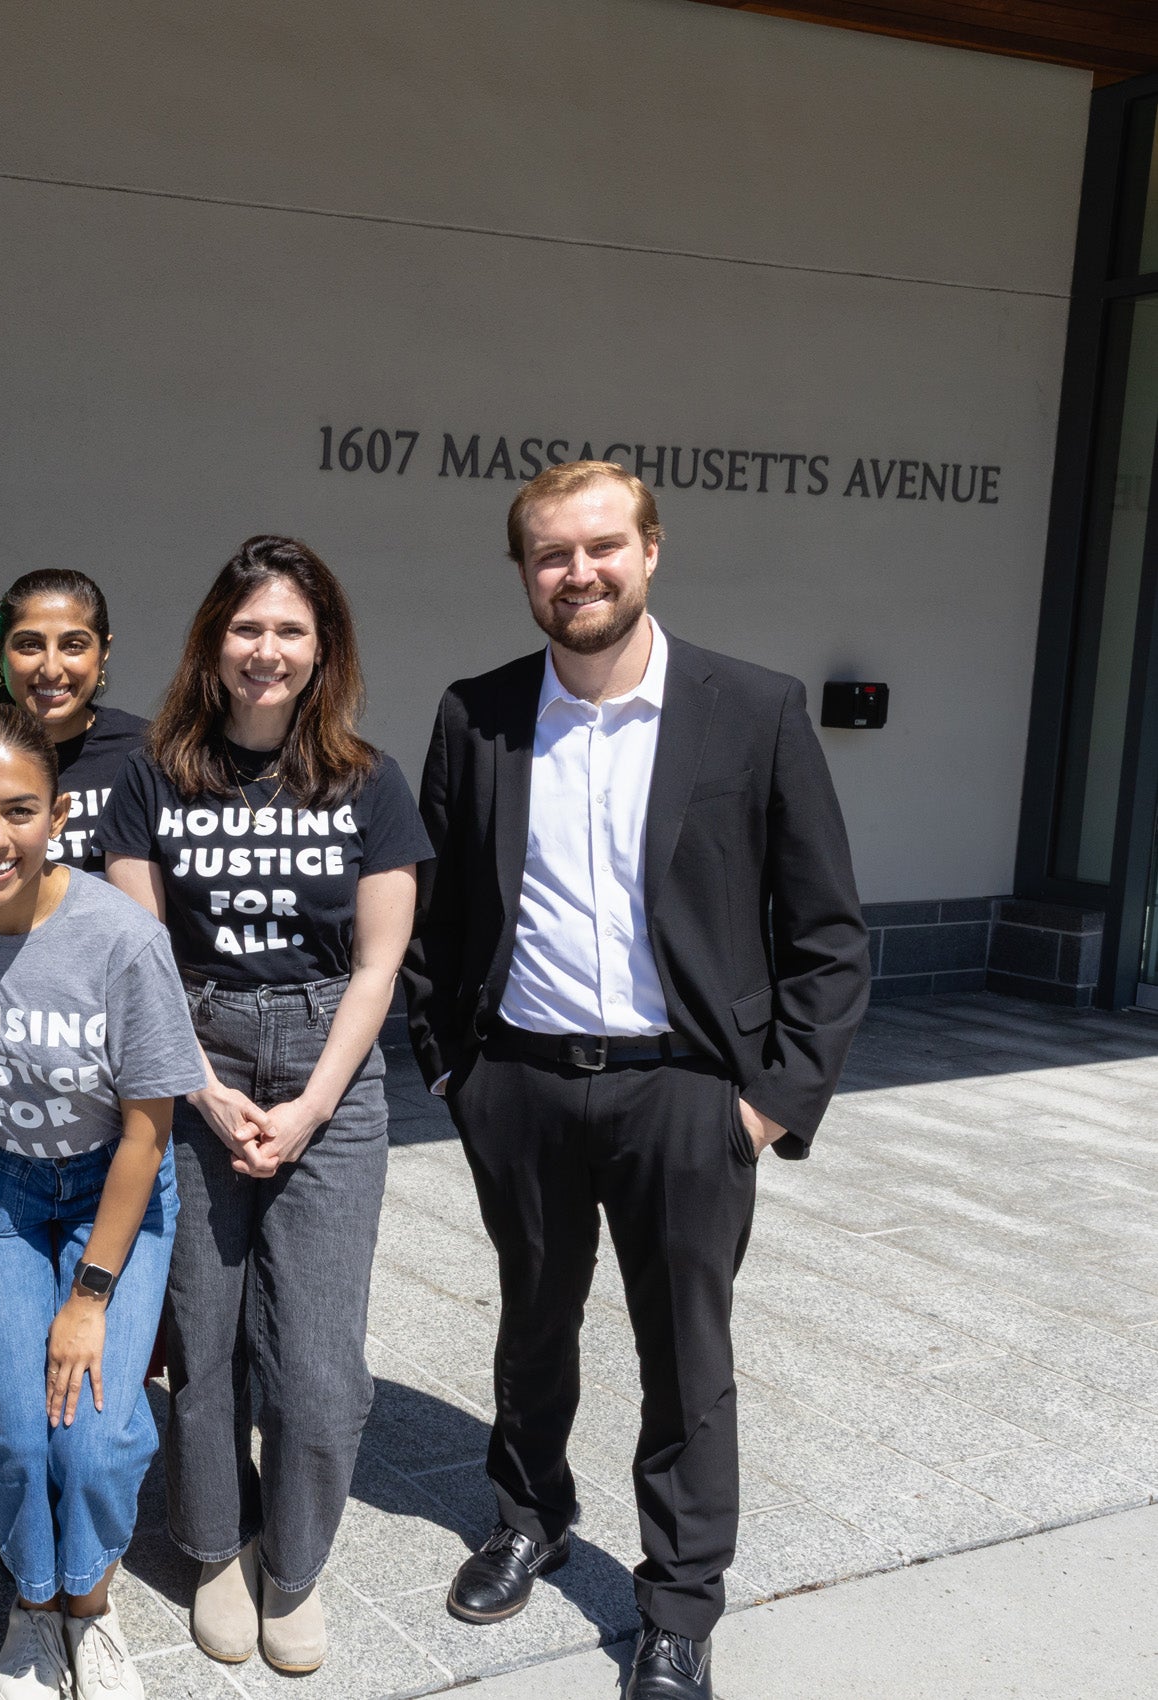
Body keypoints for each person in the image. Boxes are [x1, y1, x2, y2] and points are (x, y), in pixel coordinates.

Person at [402, 462, 869, 1700]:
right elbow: (438, 921)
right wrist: (456, 1072)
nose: (579, 572)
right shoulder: (479, 712)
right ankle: (529, 1514)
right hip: (524, 1083)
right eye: (552, 554)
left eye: (603, 545)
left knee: (685, 1353)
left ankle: (676, 1602)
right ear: (524, 573)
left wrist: (770, 1102)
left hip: (688, 1095)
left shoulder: (751, 709)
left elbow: (828, 932)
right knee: (533, 1323)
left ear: (652, 550)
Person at [98, 537, 432, 1677]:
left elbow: (381, 967)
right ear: (213, 638)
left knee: (320, 1358)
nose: (267, 650)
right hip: (189, 1049)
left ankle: (294, 1560)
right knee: (202, 1329)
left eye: (291, 630)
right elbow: (139, 953)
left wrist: (308, 1105)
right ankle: (216, 1547)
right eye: (248, 627)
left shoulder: (368, 779)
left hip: (329, 1058)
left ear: (321, 647)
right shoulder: (154, 773)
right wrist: (202, 1082)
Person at [0, 704, 202, 1700]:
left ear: (59, 814)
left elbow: (147, 1129)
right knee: (18, 1427)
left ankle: (94, 1598)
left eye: (18, 811)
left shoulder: (121, 939)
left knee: (96, 1434)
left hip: (107, 1186)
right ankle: (38, 1602)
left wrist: (89, 1295)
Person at [0, 569, 145, 878]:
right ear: (1, 653)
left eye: (73, 645)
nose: (51, 669)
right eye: (30, 644)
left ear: (103, 652)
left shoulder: (146, 755)